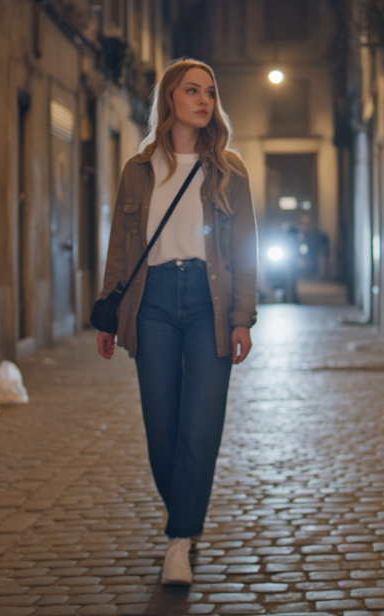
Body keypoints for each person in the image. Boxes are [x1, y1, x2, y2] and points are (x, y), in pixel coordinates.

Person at [96, 58, 258, 586]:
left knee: (202, 425)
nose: (205, 100)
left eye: (210, 91)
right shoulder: (138, 170)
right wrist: (108, 312)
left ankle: (178, 540)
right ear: (170, 99)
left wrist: (242, 317)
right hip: (153, 302)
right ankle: (185, 518)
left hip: (210, 302)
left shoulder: (229, 168)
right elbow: (122, 249)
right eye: (193, 90)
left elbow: (245, 249)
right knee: (162, 426)